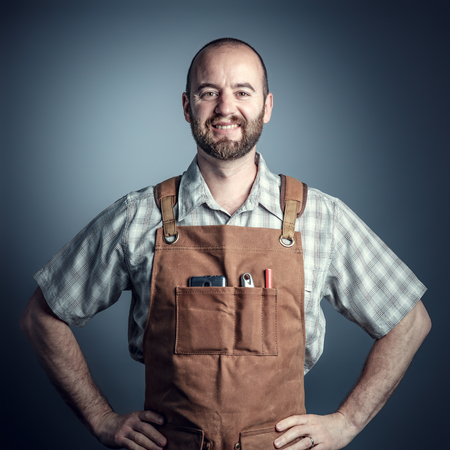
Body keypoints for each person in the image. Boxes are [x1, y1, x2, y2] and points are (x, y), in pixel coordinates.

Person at [21, 38, 430, 450]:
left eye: (242, 92)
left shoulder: (320, 217)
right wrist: (101, 419)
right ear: (187, 106)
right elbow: (42, 315)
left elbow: (410, 321)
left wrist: (347, 422)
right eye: (208, 92)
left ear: (267, 106)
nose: (224, 107)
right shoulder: (137, 217)